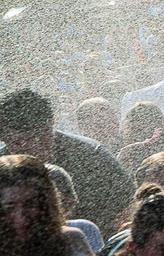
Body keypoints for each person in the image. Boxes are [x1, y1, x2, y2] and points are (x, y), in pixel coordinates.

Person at [0, 89, 132, 233]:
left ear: (51, 124)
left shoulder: (90, 154)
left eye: (40, 135)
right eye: (19, 142)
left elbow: (129, 205)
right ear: (3, 138)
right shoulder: (3, 165)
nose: (33, 146)